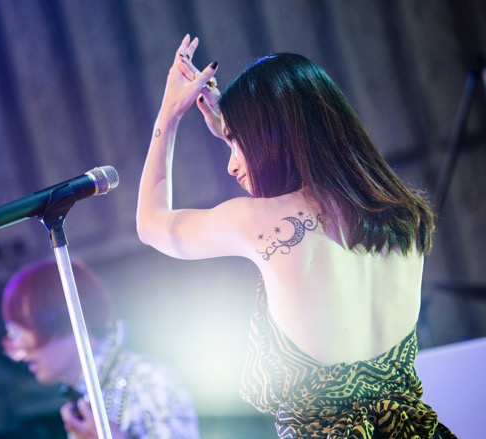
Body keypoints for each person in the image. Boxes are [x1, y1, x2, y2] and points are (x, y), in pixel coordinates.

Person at [136, 34, 457, 438]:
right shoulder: (405, 216)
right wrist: (231, 129)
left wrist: (169, 114)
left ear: (274, 135)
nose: (231, 165)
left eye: (236, 143)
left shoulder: (259, 221)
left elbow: (151, 224)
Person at [1, 258, 200, 439]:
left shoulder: (146, 379)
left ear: (61, 317)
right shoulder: (81, 402)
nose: (16, 346)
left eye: (21, 329)